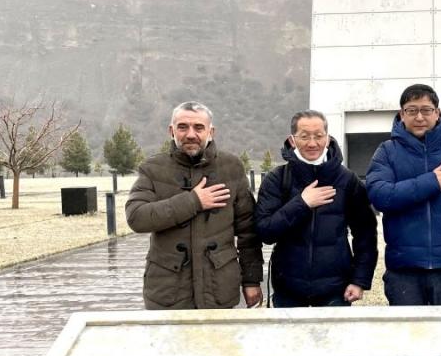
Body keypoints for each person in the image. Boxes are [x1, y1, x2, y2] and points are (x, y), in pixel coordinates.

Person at [125, 101, 262, 309]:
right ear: (171, 131)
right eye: (183, 127)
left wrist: (251, 280)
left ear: (211, 131)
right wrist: (194, 201)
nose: (190, 134)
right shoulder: (152, 169)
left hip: (219, 288)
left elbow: (248, 232)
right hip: (167, 291)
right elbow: (137, 217)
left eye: (198, 127)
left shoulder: (231, 167)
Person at [365, 83, 441, 305]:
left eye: (426, 110)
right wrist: (431, 182)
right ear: (402, 114)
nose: (419, 117)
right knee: (407, 337)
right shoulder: (387, 152)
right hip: (404, 269)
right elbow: (380, 196)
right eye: (412, 110)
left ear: (437, 113)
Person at [255, 110, 378, 307]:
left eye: (319, 136)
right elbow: (265, 231)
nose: (312, 143)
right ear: (292, 140)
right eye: (304, 136)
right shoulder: (278, 179)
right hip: (288, 289)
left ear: (328, 138)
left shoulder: (347, 180)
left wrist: (359, 280)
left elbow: (365, 234)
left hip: (336, 290)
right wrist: (301, 203)